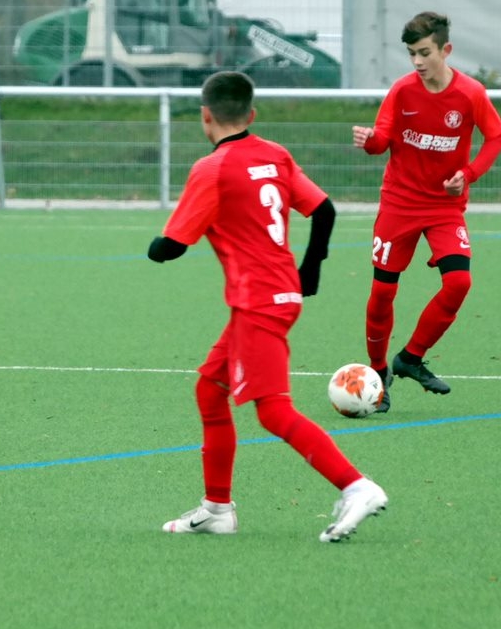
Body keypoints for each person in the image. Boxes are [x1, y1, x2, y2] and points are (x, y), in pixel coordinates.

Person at [148, 71, 387, 543]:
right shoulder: (274, 154)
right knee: (210, 389)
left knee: (273, 411)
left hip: (258, 302)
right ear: (252, 114)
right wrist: (310, 270)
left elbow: (170, 247)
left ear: (205, 115)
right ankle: (217, 509)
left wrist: (155, 247)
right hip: (278, 296)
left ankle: (356, 487)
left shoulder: (211, 169)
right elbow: (324, 210)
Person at [352, 11, 501, 413]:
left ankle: (410, 357)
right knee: (382, 293)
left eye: (424, 53)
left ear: (445, 49)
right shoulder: (402, 91)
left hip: (444, 208)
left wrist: (468, 175)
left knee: (458, 283)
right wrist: (369, 141)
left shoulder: (470, 93)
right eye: (411, 54)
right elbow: (381, 141)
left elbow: (497, 136)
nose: (417, 62)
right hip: (399, 204)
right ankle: (378, 372)